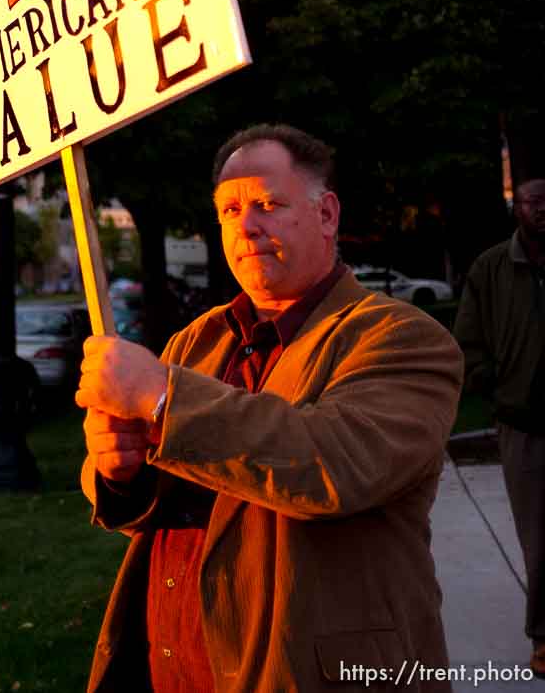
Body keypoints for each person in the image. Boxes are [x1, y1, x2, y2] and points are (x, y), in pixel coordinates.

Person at [76, 123, 463, 693]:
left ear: (327, 215)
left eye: (267, 204)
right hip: (170, 670)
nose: (247, 225)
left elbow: (331, 464)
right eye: (230, 210)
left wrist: (162, 398)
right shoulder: (198, 340)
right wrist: (118, 470)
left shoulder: (403, 339)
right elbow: (168, 496)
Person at [455, 177, 545, 678]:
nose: (542, 210)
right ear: (517, 208)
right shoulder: (491, 268)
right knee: (540, 540)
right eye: (534, 201)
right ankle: (544, 637)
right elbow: (467, 342)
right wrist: (499, 387)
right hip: (525, 425)